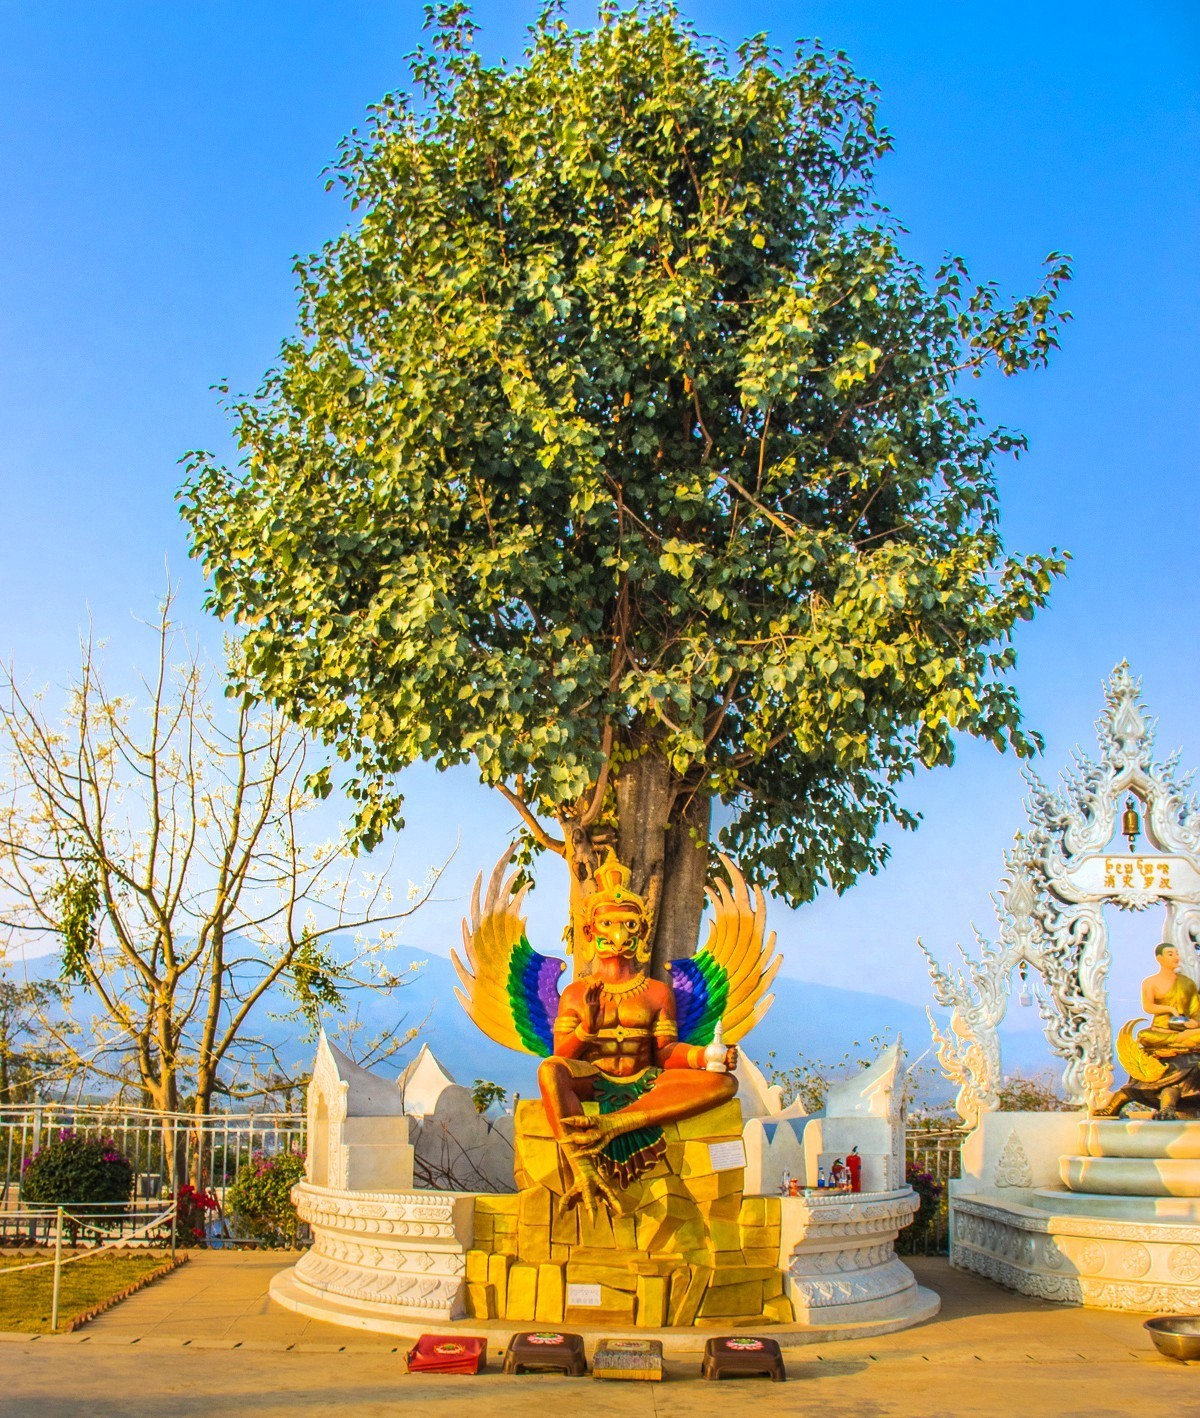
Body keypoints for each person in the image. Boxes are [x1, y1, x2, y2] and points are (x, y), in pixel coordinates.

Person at [537, 852, 738, 1215]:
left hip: (645, 1081)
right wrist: (588, 1028)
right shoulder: (575, 993)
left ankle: (615, 1123)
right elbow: (561, 1057)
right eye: (608, 923)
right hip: (594, 1079)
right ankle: (583, 1167)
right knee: (549, 1071)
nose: (619, 934)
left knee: (724, 1083)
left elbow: (664, 1053)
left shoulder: (657, 992)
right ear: (590, 931)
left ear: (642, 932)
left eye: (630, 924)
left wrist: (707, 1055)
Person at [1096, 942, 1200, 1119]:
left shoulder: (1187, 984)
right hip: (1160, 1032)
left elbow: (1195, 1012)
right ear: (1159, 958)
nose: (1176, 957)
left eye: (1177, 953)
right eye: (1170, 954)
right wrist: (1170, 1009)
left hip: (1184, 1033)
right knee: (1143, 1035)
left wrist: (1191, 1023)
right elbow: (1148, 1007)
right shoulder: (1150, 982)